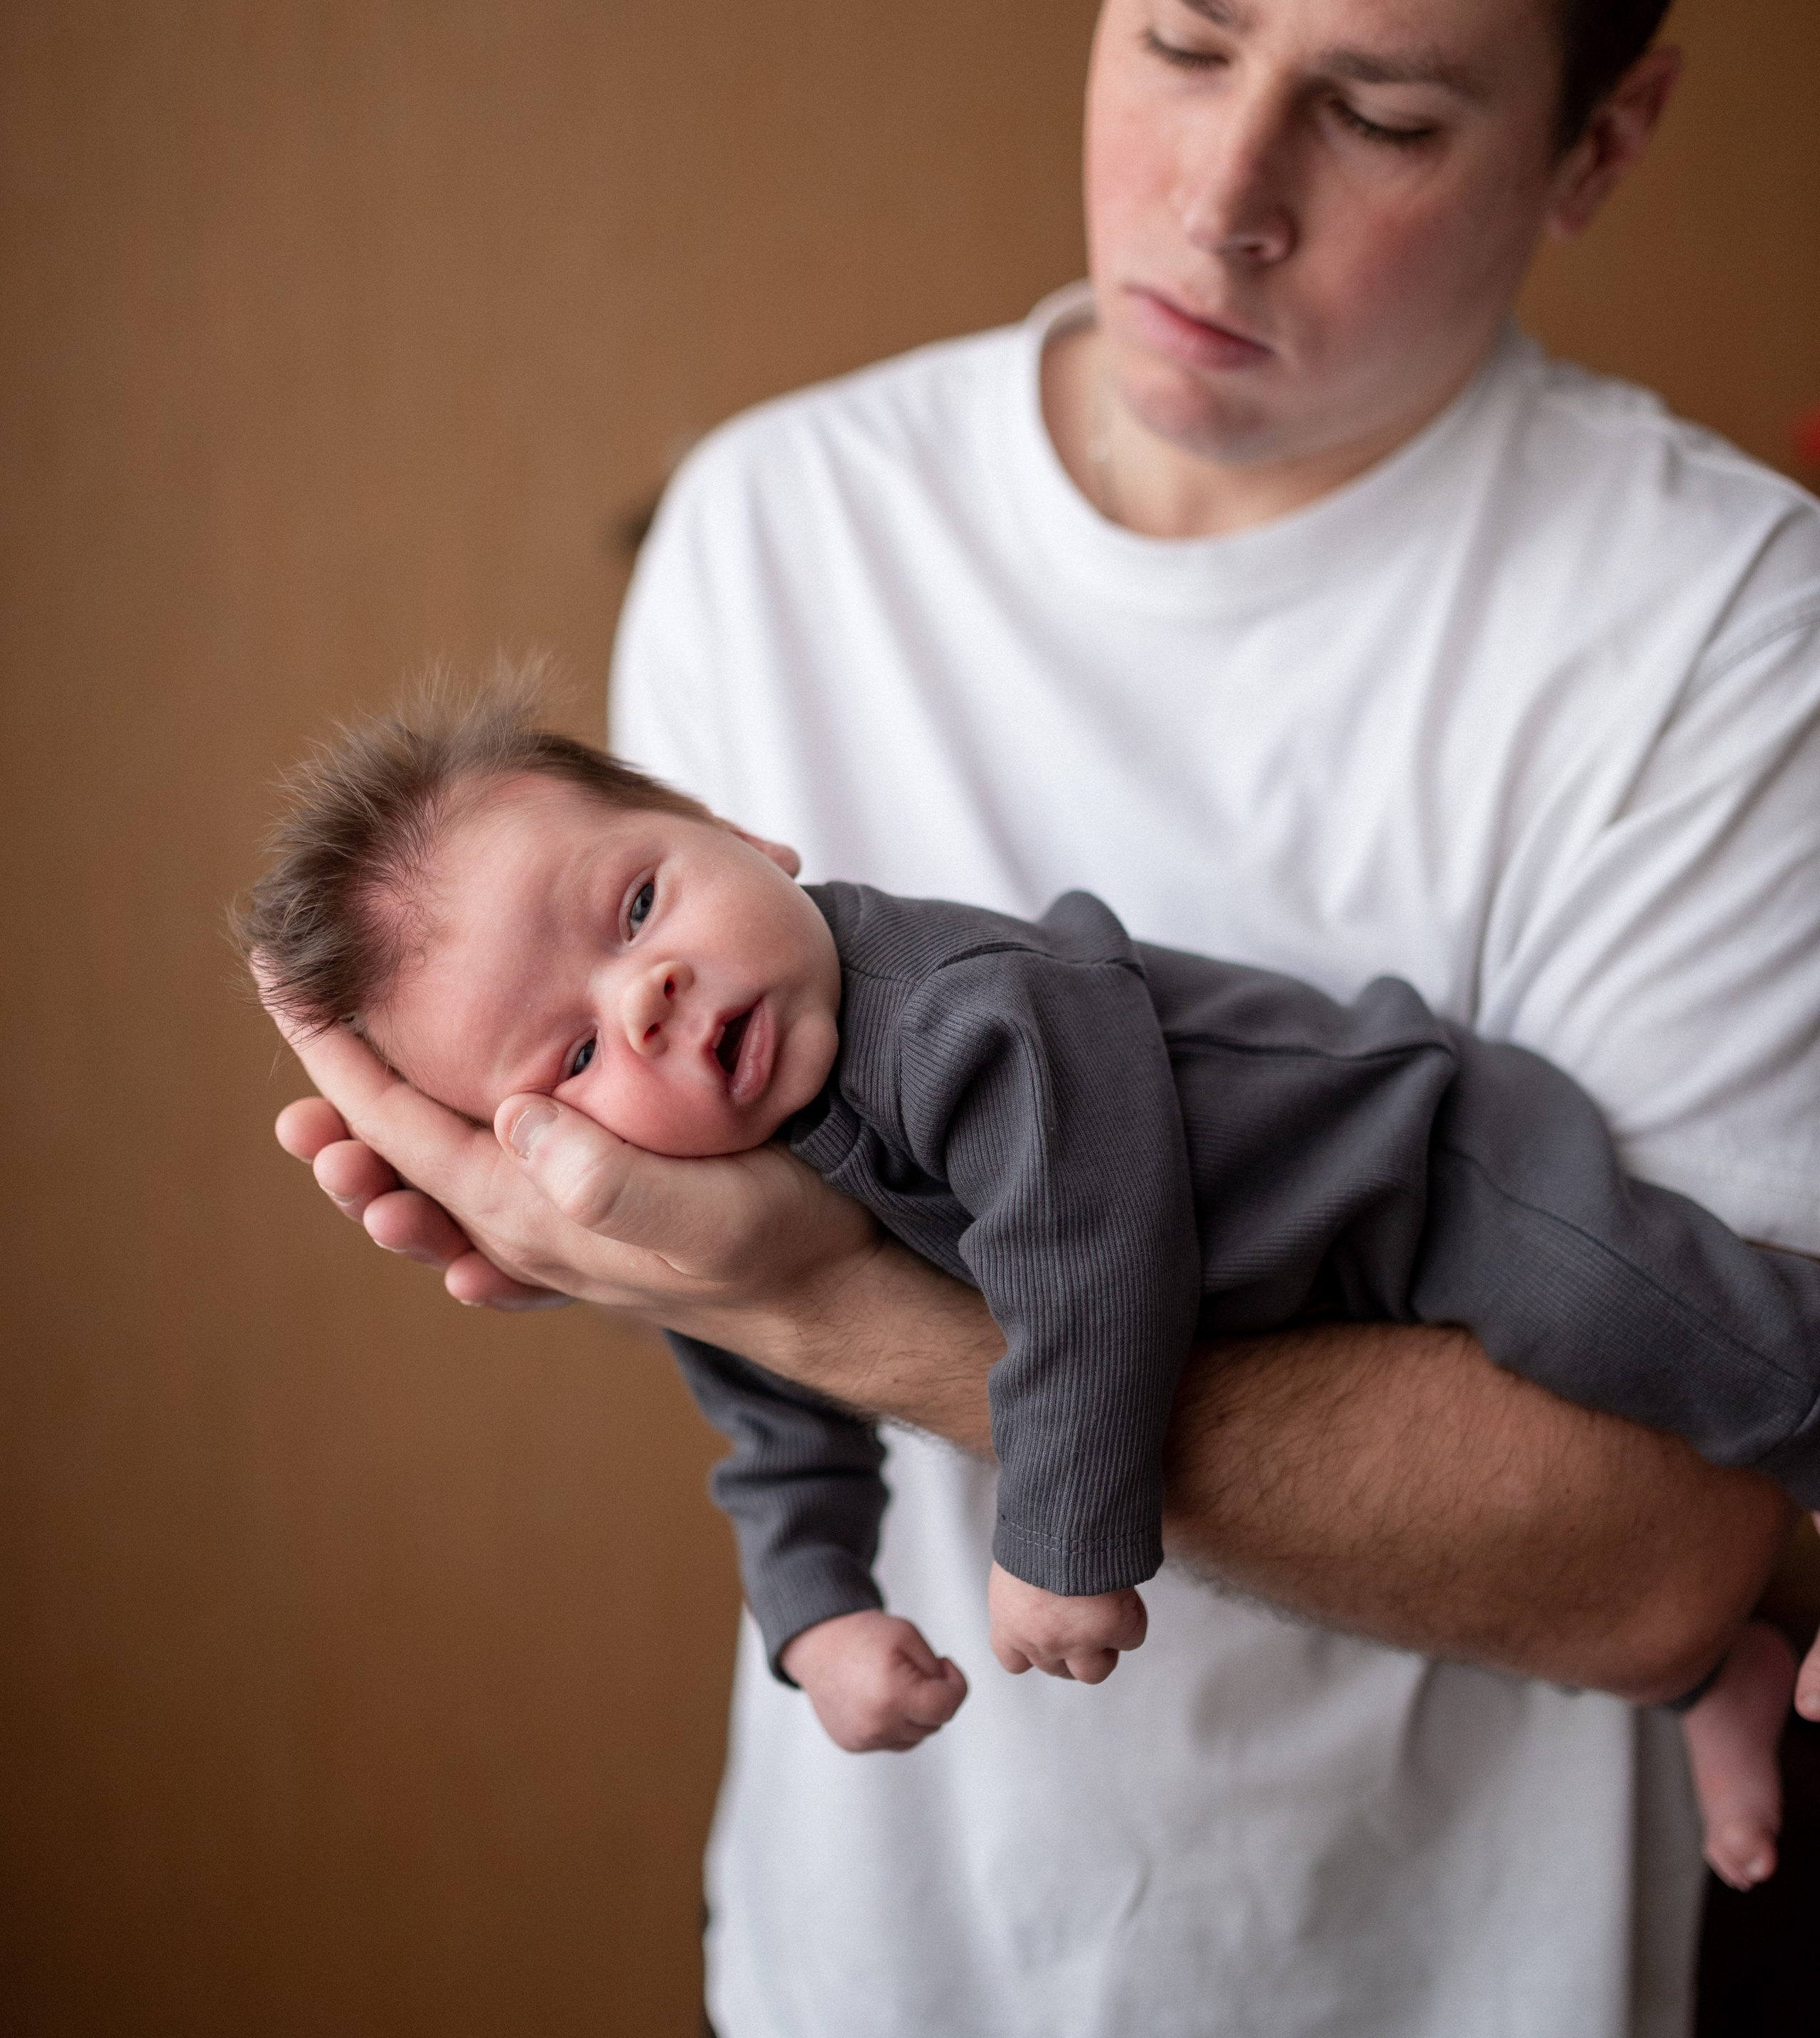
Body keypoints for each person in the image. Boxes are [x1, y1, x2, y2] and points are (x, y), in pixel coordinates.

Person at [269, 0, 1820, 2038]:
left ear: (1601, 136)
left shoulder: (1728, 636)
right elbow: (717, 1298)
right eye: (1183, 26)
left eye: (1383, 107)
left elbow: (1654, 1548)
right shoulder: (777, 528)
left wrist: (854, 1312)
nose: (1220, 197)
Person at [245, 685, 1809, 1892]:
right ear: (533, 1150)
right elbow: (766, 1395)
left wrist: (1058, 1532)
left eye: (639, 902)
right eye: (572, 1056)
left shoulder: (960, 1013)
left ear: (744, 835)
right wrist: (816, 1615)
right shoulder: (725, 1193)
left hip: (1412, 1166)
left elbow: (1085, 1239)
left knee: (1618, 1312)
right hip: (1313, 1307)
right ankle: (1709, 1670)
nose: (642, 995)